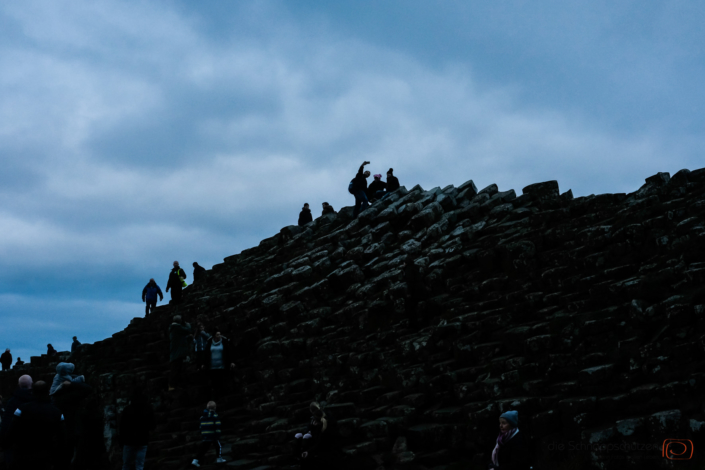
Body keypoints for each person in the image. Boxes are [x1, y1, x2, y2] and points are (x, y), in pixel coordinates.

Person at [7, 381, 64, 469]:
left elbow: (12, 430)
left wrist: (6, 446)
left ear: (32, 392)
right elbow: (62, 436)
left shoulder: (21, 409)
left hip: (24, 453)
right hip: (47, 455)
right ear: (48, 392)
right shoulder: (56, 412)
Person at [119, 386, 156, 470]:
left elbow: (122, 427)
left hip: (129, 440)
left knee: (126, 465)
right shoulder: (147, 408)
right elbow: (153, 425)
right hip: (142, 440)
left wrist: (121, 441)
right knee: (139, 465)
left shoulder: (127, 409)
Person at [0, 375, 33, 466]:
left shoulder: (12, 401)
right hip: (34, 443)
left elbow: (6, 422)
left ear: (19, 384)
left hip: (15, 443)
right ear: (31, 384)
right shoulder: (37, 400)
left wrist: (3, 442)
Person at [199, 331, 235, 399]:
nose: (219, 336)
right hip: (212, 367)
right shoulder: (209, 343)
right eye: (217, 335)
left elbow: (228, 352)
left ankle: (223, 396)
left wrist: (231, 362)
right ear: (214, 336)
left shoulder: (224, 342)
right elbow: (206, 354)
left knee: (222, 381)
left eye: (220, 334)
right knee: (214, 382)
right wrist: (204, 363)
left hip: (222, 366)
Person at [293, 402, 329, 468]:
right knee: (298, 435)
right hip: (310, 433)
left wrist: (313, 427)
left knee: (306, 436)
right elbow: (308, 428)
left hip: (315, 437)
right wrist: (309, 428)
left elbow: (318, 435)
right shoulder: (313, 418)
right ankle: (296, 455)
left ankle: (303, 453)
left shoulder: (322, 419)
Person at [191, 401, 225, 466]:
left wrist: (203, 434)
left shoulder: (202, 417)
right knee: (218, 446)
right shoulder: (215, 416)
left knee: (203, 449)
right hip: (213, 435)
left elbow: (200, 427)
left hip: (205, 435)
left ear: (207, 407)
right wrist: (218, 435)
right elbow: (217, 426)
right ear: (215, 408)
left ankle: (195, 460)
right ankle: (219, 458)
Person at [169, 315, 192, 391]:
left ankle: (174, 386)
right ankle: (173, 385)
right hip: (178, 353)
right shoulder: (177, 327)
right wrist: (187, 324)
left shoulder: (174, 328)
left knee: (176, 369)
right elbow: (187, 330)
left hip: (176, 352)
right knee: (176, 370)